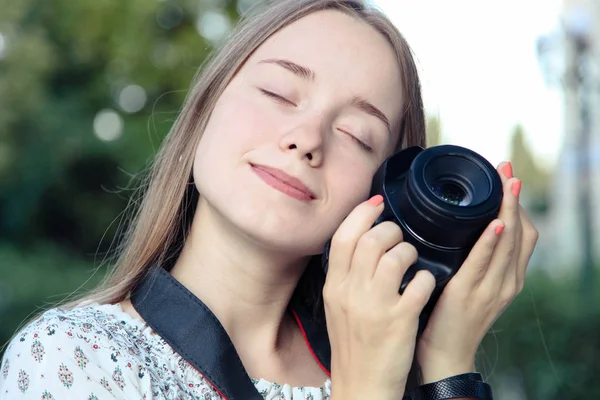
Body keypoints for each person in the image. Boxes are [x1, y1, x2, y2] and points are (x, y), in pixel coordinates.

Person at [0, 0, 538, 399]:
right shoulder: (73, 357)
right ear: (206, 104)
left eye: (356, 134)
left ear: (384, 192)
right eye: (279, 93)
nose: (307, 139)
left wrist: (446, 361)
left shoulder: (399, 369)